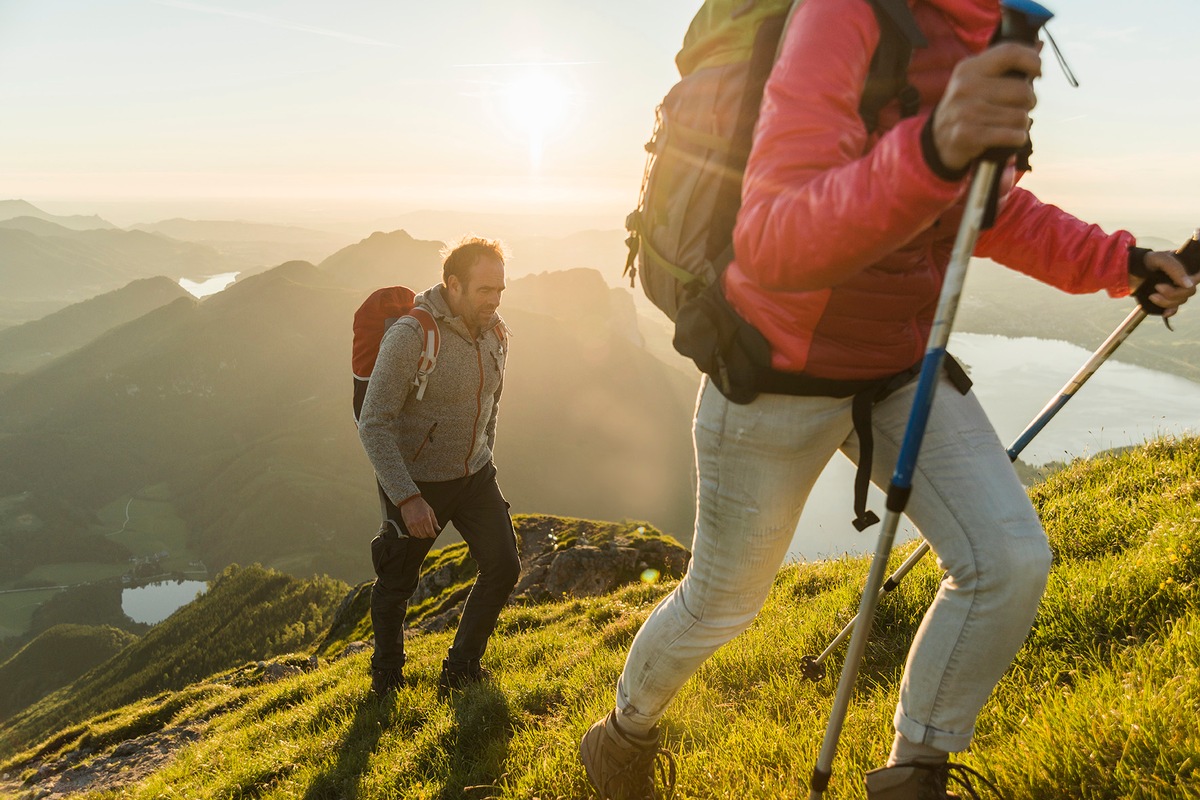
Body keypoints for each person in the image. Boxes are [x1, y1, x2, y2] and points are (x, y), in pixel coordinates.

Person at [580, 1, 1195, 798]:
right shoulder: (844, 14)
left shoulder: (987, 25)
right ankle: (622, 734)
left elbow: (991, 207)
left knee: (1006, 560)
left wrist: (1126, 261)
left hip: (900, 367)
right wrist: (935, 146)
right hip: (776, 370)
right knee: (723, 602)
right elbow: (772, 239)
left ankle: (916, 773)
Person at [357, 236, 520, 697]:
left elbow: (491, 403)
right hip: (417, 482)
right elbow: (373, 423)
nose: (493, 301)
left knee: (504, 565)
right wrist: (407, 498)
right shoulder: (411, 336)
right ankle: (387, 677)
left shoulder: (497, 333)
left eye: (500, 291)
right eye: (484, 290)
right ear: (453, 285)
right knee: (395, 583)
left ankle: (461, 668)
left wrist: (484, 453)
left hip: (474, 475)